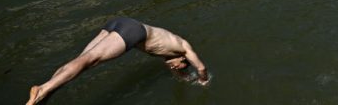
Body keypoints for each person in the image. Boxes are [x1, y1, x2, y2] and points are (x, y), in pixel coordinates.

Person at [26, 17, 209, 105]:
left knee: (82, 61)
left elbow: (178, 70)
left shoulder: (171, 52)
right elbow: (201, 67)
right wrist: (203, 80)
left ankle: (44, 95)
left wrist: (184, 78)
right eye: (175, 66)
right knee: (90, 60)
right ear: (184, 59)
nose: (170, 66)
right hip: (133, 31)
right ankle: (42, 90)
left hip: (120, 23)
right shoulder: (184, 48)